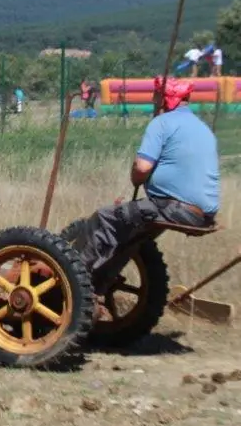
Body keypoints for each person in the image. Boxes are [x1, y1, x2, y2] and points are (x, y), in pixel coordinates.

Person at [72, 76, 219, 294]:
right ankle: (98, 284)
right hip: (202, 212)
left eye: (156, 96)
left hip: (174, 207)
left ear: (165, 99)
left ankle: (73, 279)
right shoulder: (202, 127)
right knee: (130, 236)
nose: (152, 101)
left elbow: (142, 168)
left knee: (104, 218)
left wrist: (136, 178)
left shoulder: (162, 123)